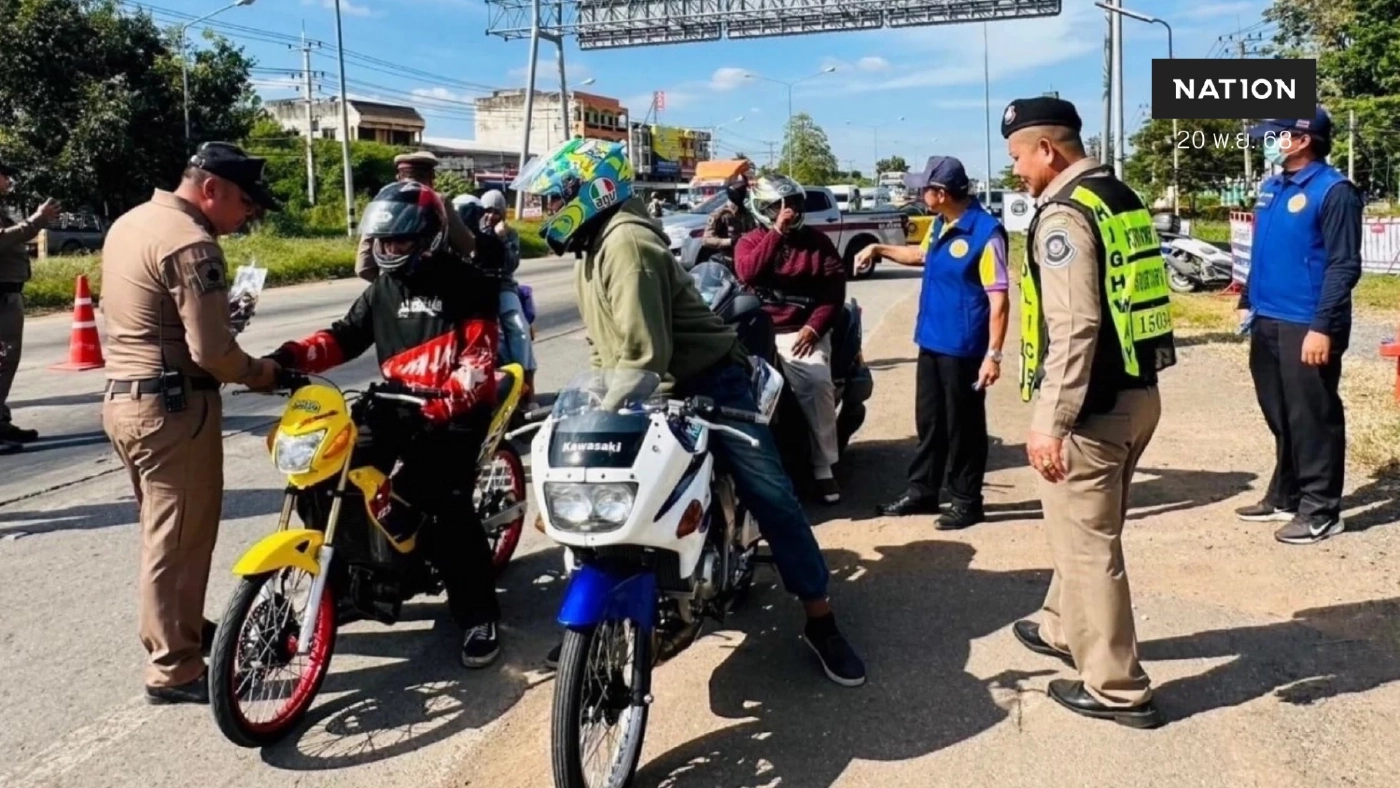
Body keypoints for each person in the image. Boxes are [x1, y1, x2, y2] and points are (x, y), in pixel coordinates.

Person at [513, 137, 866, 687]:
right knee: (594, 500)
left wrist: (615, 398)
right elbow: (607, 353)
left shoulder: (627, 244)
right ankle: (599, 619)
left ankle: (821, 621)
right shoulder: (593, 246)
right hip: (641, 389)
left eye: (557, 198)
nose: (550, 212)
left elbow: (643, 353)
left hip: (710, 382)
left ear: (592, 190)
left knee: (771, 496)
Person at [267, 180, 506, 668]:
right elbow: (342, 338)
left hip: (454, 413)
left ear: (429, 238)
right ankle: (348, 582)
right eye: (384, 242)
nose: (390, 250)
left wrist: (446, 402)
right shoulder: (382, 287)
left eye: (400, 242)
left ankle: (479, 614)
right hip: (395, 405)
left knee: (443, 505)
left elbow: (478, 361)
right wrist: (288, 359)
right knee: (327, 474)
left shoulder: (469, 284)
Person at [1000, 97, 1177, 728]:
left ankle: (1117, 689)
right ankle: (1058, 627)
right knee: (1082, 536)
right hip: (1138, 396)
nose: (1016, 170)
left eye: (1018, 156)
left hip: (1091, 414)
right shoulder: (1118, 196)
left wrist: (1051, 421)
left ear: (1047, 150)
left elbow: (1075, 329)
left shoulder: (1064, 217)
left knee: (1090, 547)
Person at [100, 142, 283, 704]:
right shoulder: (191, 242)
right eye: (246, 204)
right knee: (179, 539)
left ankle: (177, 630)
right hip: (173, 410)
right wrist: (266, 373)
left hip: (125, 402)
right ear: (212, 190)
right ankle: (175, 668)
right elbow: (211, 352)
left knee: (163, 532)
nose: (247, 217)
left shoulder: (132, 222)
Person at [854, 155, 1010, 529]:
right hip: (932, 341)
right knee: (930, 422)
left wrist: (993, 355)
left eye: (924, 187)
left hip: (965, 348)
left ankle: (966, 500)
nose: (919, 192)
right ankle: (923, 491)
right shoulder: (941, 224)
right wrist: (878, 249)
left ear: (940, 193)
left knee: (964, 428)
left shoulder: (985, 233)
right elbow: (920, 255)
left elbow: (1000, 300)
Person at [1236, 107, 1362, 545]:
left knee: (1313, 416)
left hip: (1307, 322)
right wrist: (1247, 301)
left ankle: (1321, 509)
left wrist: (1322, 326)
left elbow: (1344, 265)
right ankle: (1286, 493)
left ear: (1303, 139)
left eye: (1276, 135)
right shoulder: (1272, 187)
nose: (1268, 142)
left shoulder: (1334, 191)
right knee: (1280, 412)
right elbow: (1263, 251)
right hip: (1268, 317)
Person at [734, 174, 847, 504]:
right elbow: (748, 273)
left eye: (794, 205)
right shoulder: (750, 241)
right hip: (757, 330)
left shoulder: (817, 242)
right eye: (779, 207)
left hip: (801, 332)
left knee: (815, 384)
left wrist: (814, 328)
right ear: (762, 209)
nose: (789, 212)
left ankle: (824, 466)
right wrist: (776, 234)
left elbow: (833, 292)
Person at [0, 161, 61, 454]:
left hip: (9, 295)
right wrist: (36, 221)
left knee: (6, 361)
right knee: (2, 361)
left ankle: (0, 420)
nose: (8, 181)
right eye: (4, 176)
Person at [356, 151, 475, 281]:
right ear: (431, 177)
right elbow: (466, 246)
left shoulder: (383, 202)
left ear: (399, 177)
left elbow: (363, 267)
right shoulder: (439, 202)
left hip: (393, 290)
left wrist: (390, 288)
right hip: (435, 289)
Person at [480, 188, 537, 398]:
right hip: (480, 289)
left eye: (496, 211)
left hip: (504, 286)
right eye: (487, 210)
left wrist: (503, 239)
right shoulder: (473, 230)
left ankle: (525, 384)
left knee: (518, 328)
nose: (491, 215)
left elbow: (512, 264)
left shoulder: (510, 233)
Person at [701, 169, 757, 261]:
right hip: (727, 260)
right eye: (740, 190)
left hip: (745, 259)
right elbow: (706, 240)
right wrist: (730, 241)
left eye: (744, 190)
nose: (743, 193)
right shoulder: (720, 214)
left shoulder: (747, 213)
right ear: (732, 191)